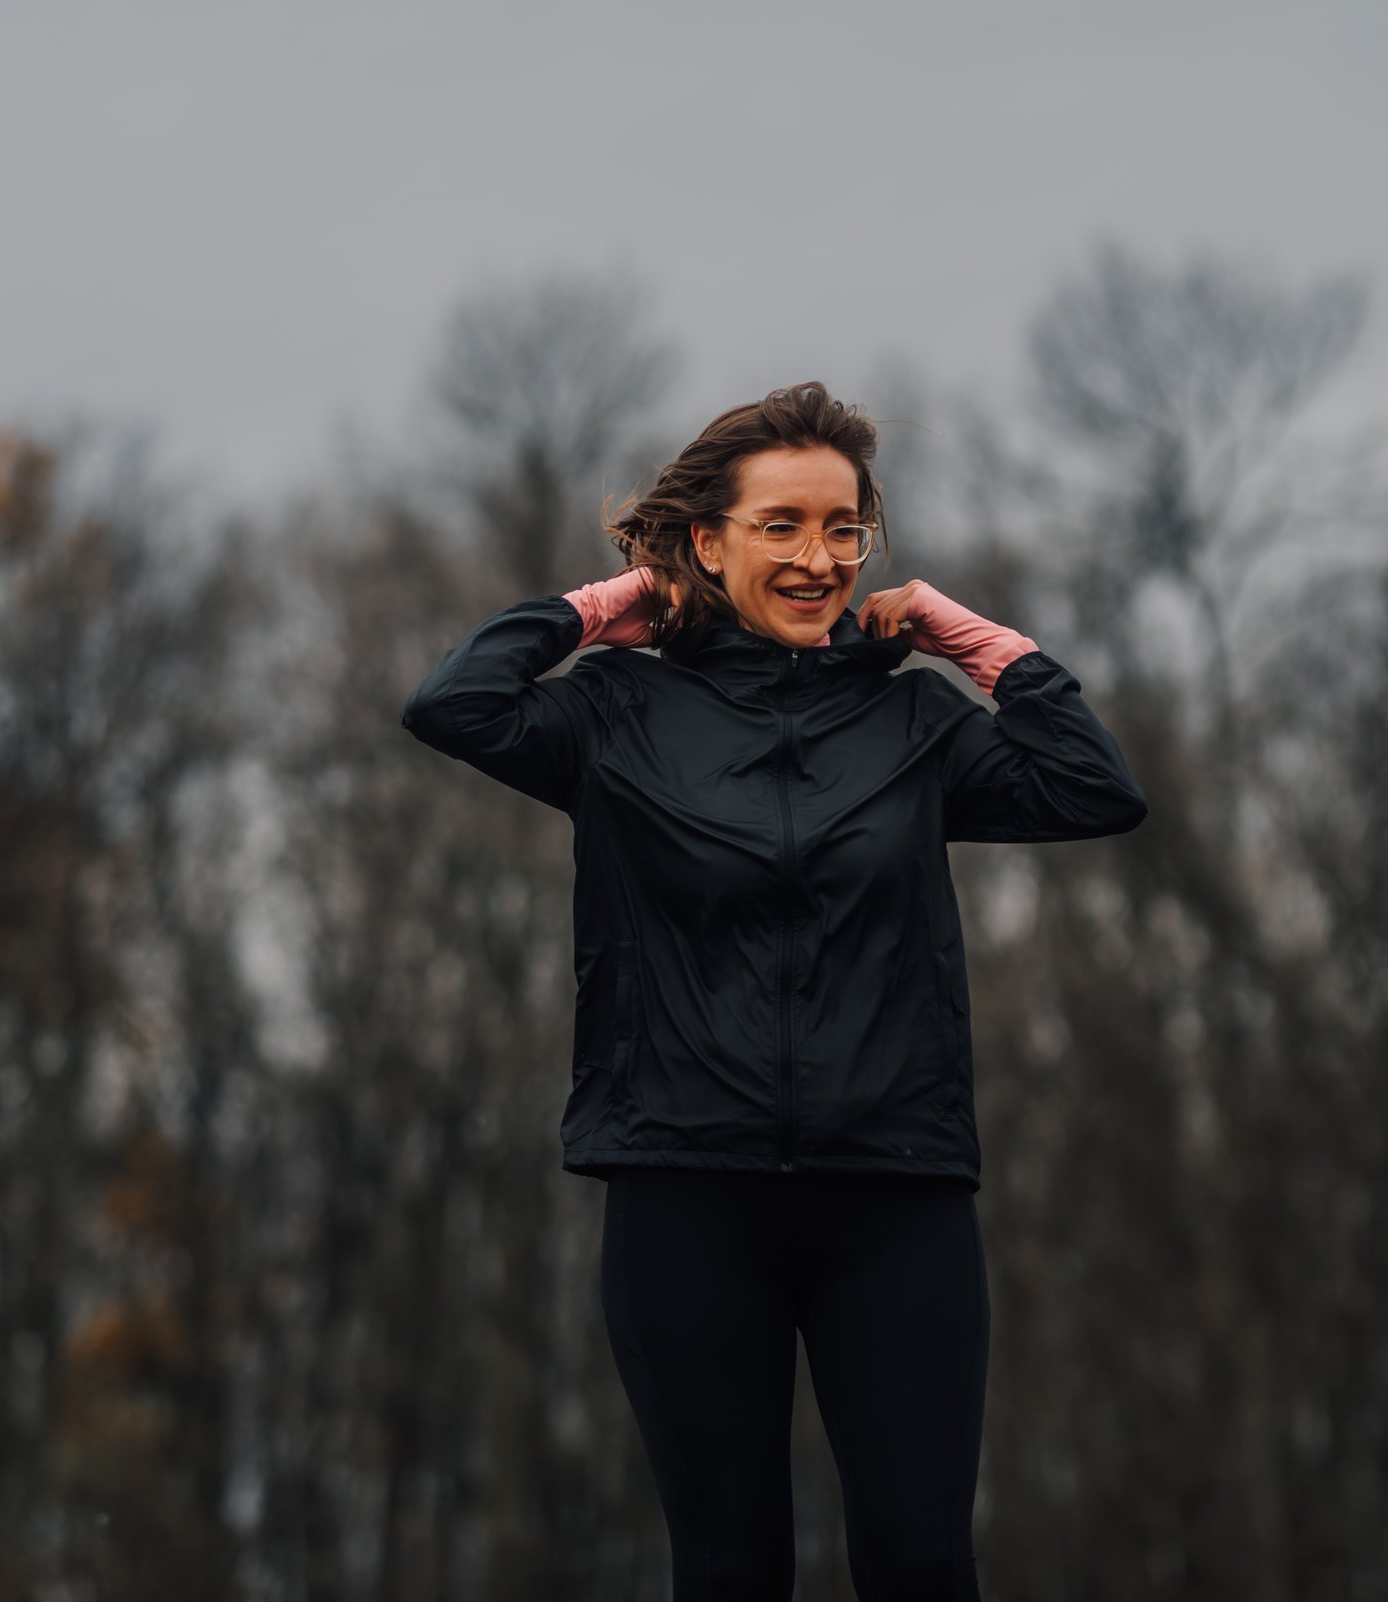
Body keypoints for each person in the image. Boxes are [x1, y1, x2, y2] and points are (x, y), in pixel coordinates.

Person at [400, 381, 1147, 1600]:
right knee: (731, 1568)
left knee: (921, 1564)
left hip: (894, 1198)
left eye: (843, 528)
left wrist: (967, 640)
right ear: (710, 540)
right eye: (783, 526)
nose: (820, 558)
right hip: (686, 1195)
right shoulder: (615, 715)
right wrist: (614, 603)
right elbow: (453, 704)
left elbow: (1095, 790)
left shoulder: (912, 721)